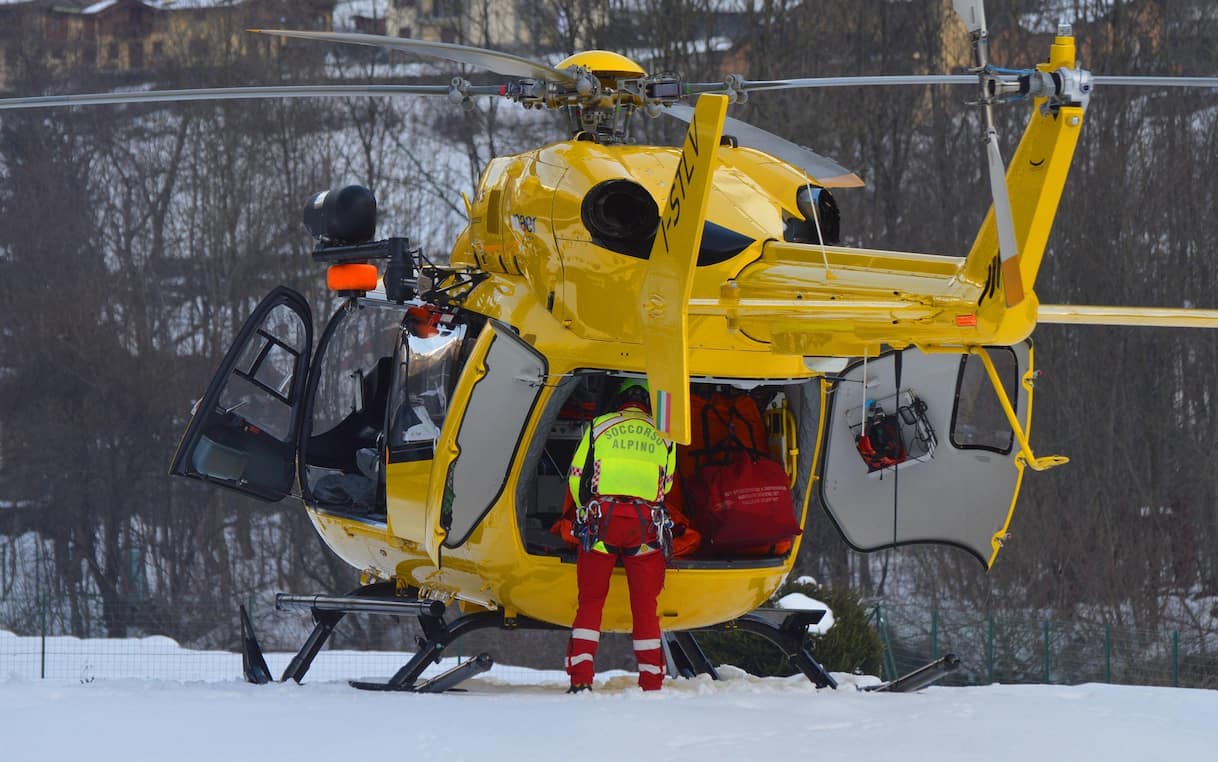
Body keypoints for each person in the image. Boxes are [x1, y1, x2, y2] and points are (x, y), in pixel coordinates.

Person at [563, 378, 676, 693]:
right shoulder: (667, 434)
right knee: (644, 605)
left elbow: (576, 475)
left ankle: (581, 677)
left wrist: (586, 509)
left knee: (591, 601)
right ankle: (652, 681)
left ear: (620, 399)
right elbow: (666, 484)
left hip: (603, 521)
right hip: (644, 526)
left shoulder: (599, 425)